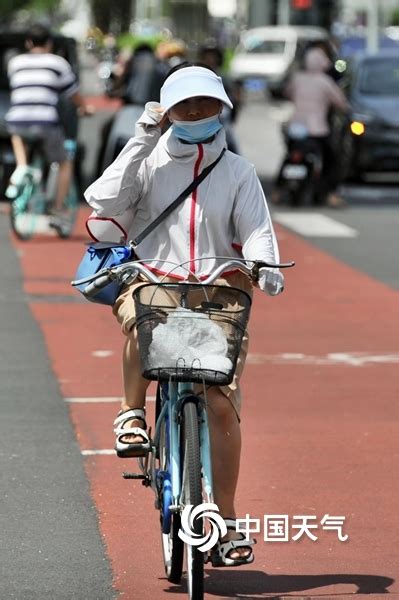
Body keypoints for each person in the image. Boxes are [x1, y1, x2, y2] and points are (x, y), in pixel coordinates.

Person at [84, 62, 284, 566]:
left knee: (220, 401)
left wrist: (265, 264)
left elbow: (256, 228)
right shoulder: (147, 161)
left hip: (220, 292)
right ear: (167, 111)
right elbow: (102, 210)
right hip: (157, 280)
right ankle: (131, 413)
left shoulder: (239, 172)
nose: (196, 112)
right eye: (184, 105)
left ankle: (229, 520)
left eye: (205, 104)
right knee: (140, 318)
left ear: (222, 109)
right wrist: (139, 141)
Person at [5, 24, 93, 220]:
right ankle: (58, 207)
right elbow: (72, 93)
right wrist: (85, 108)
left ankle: (21, 167)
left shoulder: (15, 62)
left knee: (17, 135)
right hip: (45, 121)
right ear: (50, 43)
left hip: (17, 119)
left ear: (28, 43)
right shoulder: (57, 63)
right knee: (64, 163)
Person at [273, 46, 349, 207]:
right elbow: (341, 102)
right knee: (331, 160)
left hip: (295, 128)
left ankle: (277, 191)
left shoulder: (297, 79)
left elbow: (287, 93)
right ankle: (330, 194)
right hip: (317, 130)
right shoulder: (325, 82)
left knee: (288, 156)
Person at [198, 43, 243, 154]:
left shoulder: (224, 78)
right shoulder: (196, 77)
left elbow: (235, 100)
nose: (210, 60)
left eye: (213, 57)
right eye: (207, 57)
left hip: (221, 120)